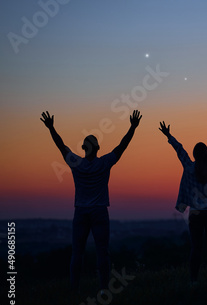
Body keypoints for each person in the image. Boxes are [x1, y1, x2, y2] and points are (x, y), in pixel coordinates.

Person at [40, 109, 142, 291]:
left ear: (84, 148)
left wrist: (51, 128)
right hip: (100, 211)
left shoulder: (76, 164)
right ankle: (103, 288)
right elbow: (122, 146)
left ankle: (74, 288)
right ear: (97, 148)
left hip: (80, 211)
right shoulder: (104, 163)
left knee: (77, 252)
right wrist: (132, 127)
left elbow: (61, 145)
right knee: (102, 251)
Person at [159, 115, 207, 285]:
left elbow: (180, 151)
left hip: (195, 214)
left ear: (194, 154)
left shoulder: (189, 167)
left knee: (196, 248)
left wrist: (168, 136)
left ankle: (193, 280)